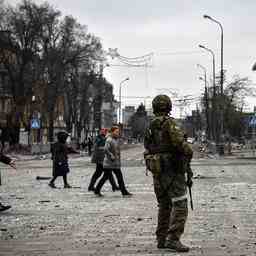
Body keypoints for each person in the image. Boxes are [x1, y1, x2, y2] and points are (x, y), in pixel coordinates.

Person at [144, 94, 193, 252]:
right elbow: (180, 144)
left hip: (157, 168)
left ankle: (162, 238)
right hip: (172, 167)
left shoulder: (150, 125)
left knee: (164, 204)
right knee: (180, 203)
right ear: (169, 106)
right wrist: (189, 150)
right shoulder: (170, 123)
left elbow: (147, 145)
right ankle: (173, 238)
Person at [94, 126, 132, 197]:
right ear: (112, 132)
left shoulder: (115, 139)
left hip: (115, 163)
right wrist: (111, 155)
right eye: (116, 132)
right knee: (106, 177)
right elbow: (105, 149)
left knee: (119, 177)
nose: (118, 133)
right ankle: (97, 190)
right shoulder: (109, 139)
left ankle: (124, 192)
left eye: (118, 132)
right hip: (109, 163)